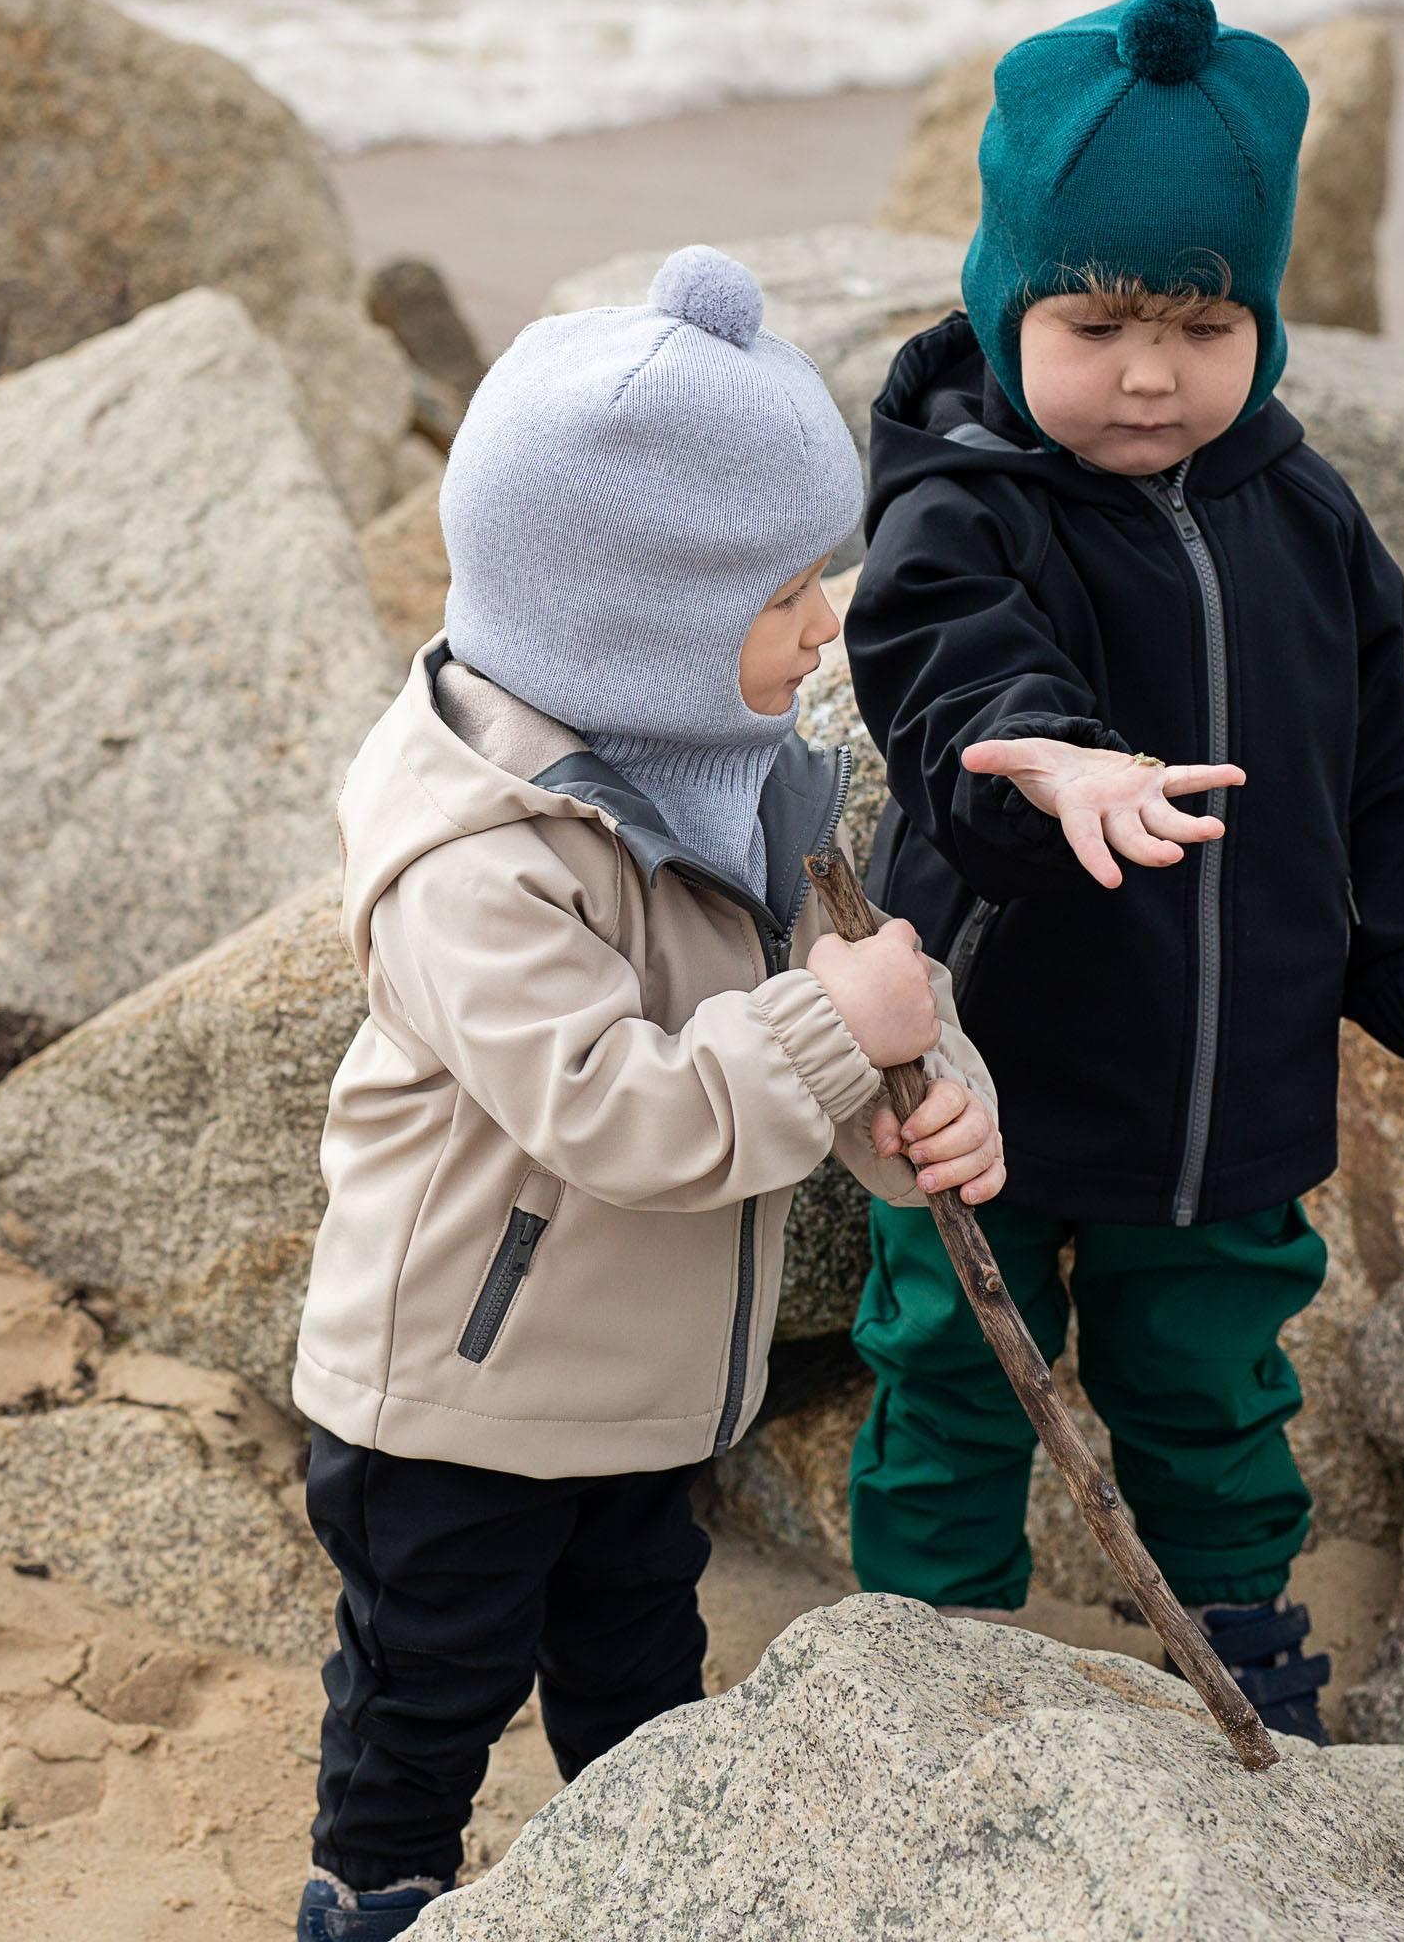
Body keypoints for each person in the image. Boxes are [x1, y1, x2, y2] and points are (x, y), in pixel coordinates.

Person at [843, 0, 1404, 1745]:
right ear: (1011, 303)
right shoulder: (958, 510)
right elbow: (950, 688)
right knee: (949, 1377)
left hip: (1230, 1094)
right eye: (1095, 321)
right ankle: (931, 1666)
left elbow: (1379, 778)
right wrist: (1051, 764)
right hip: (986, 1073)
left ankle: (1238, 1640)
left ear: (1263, 326)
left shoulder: (1306, 516)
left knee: (1216, 1391)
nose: (1151, 373)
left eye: (1204, 325)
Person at [290, 246, 1001, 1939]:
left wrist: (924, 1095)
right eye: (782, 591)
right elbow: (626, 1109)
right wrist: (837, 1031)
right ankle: (375, 1903)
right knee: (423, 1702)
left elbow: (808, 1023)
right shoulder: (473, 859)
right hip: (453, 1405)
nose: (825, 618)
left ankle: (638, 1903)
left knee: (642, 1699)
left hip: (651, 1395)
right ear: (639, 613)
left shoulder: (726, 774)